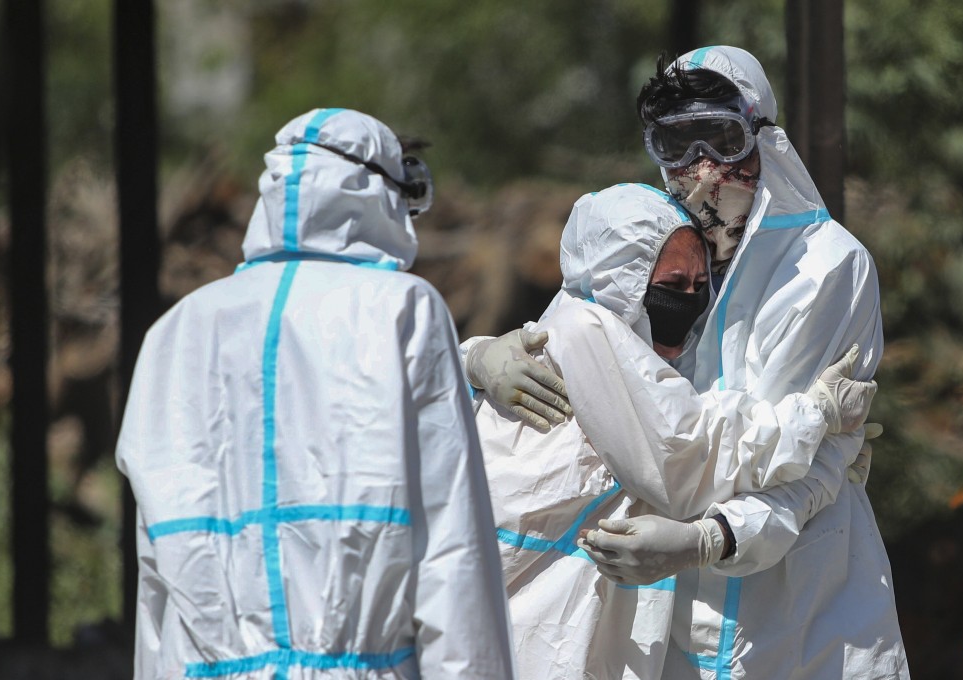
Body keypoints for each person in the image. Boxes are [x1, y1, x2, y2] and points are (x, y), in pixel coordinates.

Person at [467, 46, 909, 678]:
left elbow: (776, 469)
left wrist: (711, 538)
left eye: (723, 140)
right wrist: (478, 355)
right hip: (657, 609)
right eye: (677, 144)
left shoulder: (826, 268)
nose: (702, 168)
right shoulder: (655, 243)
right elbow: (578, 338)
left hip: (791, 610)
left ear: (763, 136)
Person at [116, 108, 516, 680]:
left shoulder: (174, 333)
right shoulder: (403, 310)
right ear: (379, 196)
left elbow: (156, 587)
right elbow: (452, 553)